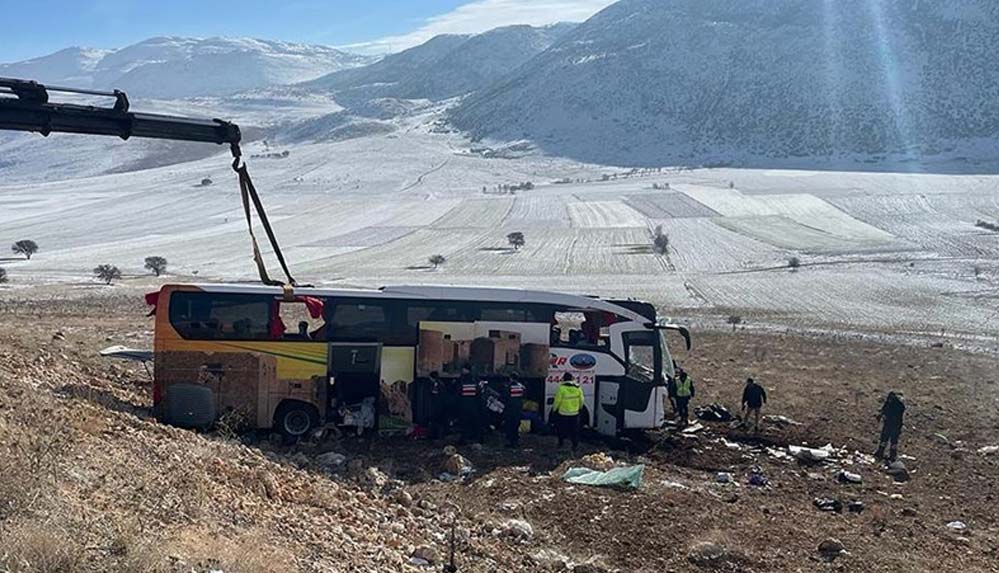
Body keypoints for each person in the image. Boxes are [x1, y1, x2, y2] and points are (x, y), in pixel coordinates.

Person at [552, 372, 584, 452]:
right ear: (572, 379)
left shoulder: (561, 388)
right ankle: (575, 445)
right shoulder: (578, 388)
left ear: (564, 379)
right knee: (574, 430)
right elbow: (581, 400)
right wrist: (580, 408)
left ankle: (561, 443)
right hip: (575, 413)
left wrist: (554, 409)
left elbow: (557, 401)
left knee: (561, 429)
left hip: (563, 413)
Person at [875, 391, 906, 462]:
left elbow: (885, 410)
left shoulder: (895, 404)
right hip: (894, 425)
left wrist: (883, 415)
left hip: (892, 424)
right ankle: (889, 454)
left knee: (888, 439)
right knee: (890, 440)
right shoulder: (898, 405)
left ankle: (885, 453)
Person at [457, 365, 482, 444]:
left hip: (465, 405)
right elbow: (478, 393)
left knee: (464, 422)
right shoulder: (475, 380)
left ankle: (464, 438)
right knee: (475, 422)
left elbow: (459, 393)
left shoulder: (462, 380)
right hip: (474, 405)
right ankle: (477, 437)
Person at [427, 371, 448, 439]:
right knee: (440, 422)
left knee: (436, 422)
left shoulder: (436, 385)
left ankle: (436, 436)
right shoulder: (441, 384)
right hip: (441, 406)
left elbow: (434, 394)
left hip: (437, 406)